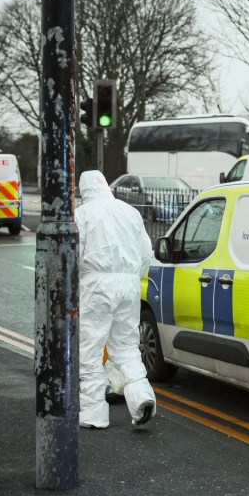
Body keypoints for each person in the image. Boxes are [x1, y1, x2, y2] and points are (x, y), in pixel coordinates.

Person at [75, 170, 156, 429]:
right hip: (129, 284)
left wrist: (80, 283)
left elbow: (74, 255)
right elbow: (146, 253)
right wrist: (131, 276)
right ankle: (142, 396)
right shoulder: (130, 212)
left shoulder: (82, 215)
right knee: (126, 348)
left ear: (83, 190)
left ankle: (93, 415)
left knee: (90, 350)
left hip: (96, 284)